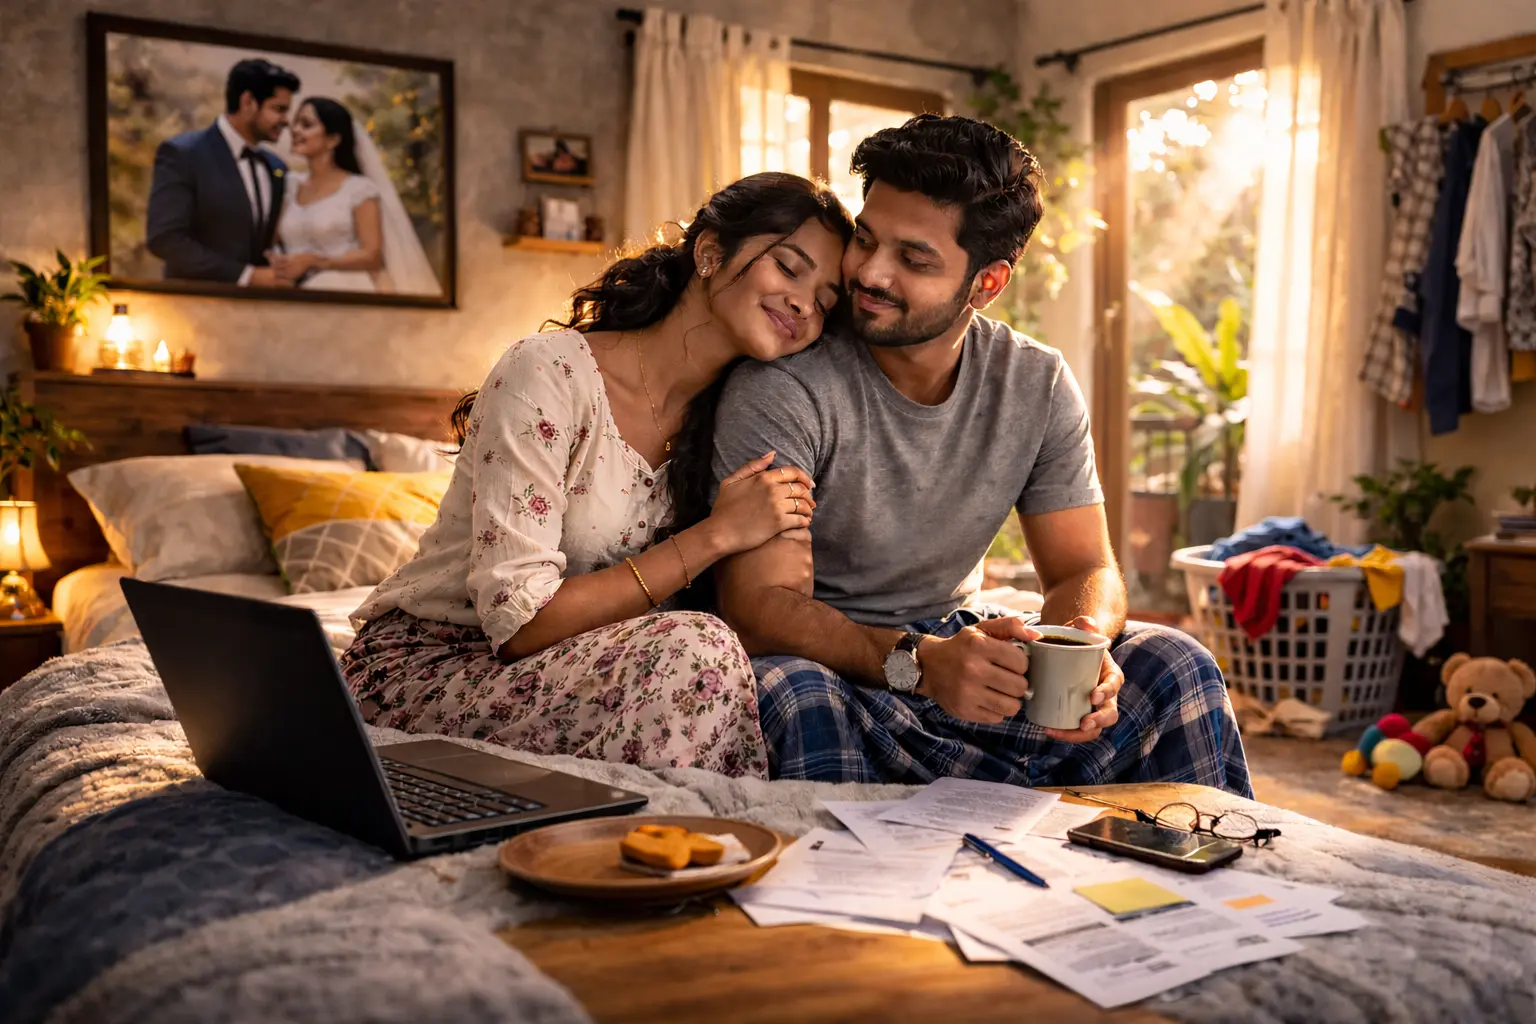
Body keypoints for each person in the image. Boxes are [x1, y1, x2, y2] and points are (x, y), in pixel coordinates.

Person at [711, 115, 1252, 795]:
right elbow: (758, 606)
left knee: (1176, 662)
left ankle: (1193, 891)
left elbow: (1085, 566)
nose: (870, 273)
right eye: (867, 240)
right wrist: (921, 662)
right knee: (788, 693)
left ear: (987, 283)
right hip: (841, 667)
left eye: (914, 259)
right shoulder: (785, 381)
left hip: (956, 646)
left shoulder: (1036, 382)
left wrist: (1082, 646)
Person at [340, 173, 851, 778]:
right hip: (429, 665)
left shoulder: (735, 423)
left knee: (762, 677)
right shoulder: (550, 375)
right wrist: (715, 534)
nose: (804, 304)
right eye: (790, 269)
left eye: (825, 301)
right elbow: (519, 623)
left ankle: (679, 842)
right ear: (710, 252)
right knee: (698, 650)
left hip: (577, 668)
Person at [146, 59, 298, 286]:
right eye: (278, 109)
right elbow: (165, 239)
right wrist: (246, 276)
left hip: (264, 313)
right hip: (193, 308)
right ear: (248, 102)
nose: (286, 121)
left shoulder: (276, 167)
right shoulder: (183, 154)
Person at [272, 97, 442, 295]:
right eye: (295, 124)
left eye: (306, 125)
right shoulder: (290, 185)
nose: (295, 130)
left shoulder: (359, 189)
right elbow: (274, 241)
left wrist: (315, 261)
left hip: (345, 289)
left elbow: (372, 256)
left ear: (333, 139)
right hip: (295, 295)